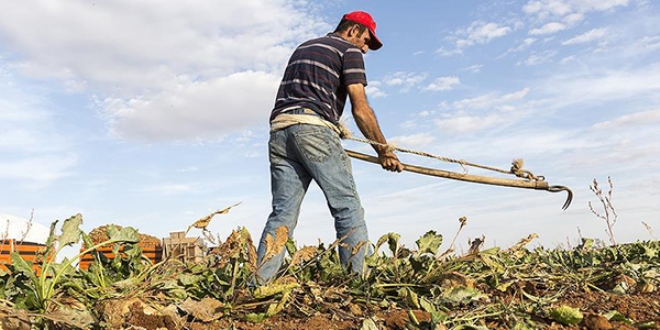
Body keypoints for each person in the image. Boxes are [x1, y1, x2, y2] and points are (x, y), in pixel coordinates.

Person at [255, 10, 403, 284]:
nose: (366, 49)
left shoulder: (305, 47)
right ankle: (356, 285)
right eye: (367, 40)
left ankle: (257, 286)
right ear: (353, 30)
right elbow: (360, 108)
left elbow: (306, 94)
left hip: (280, 131)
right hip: (312, 129)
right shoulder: (349, 50)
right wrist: (384, 150)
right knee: (347, 207)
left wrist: (332, 124)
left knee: (282, 215)